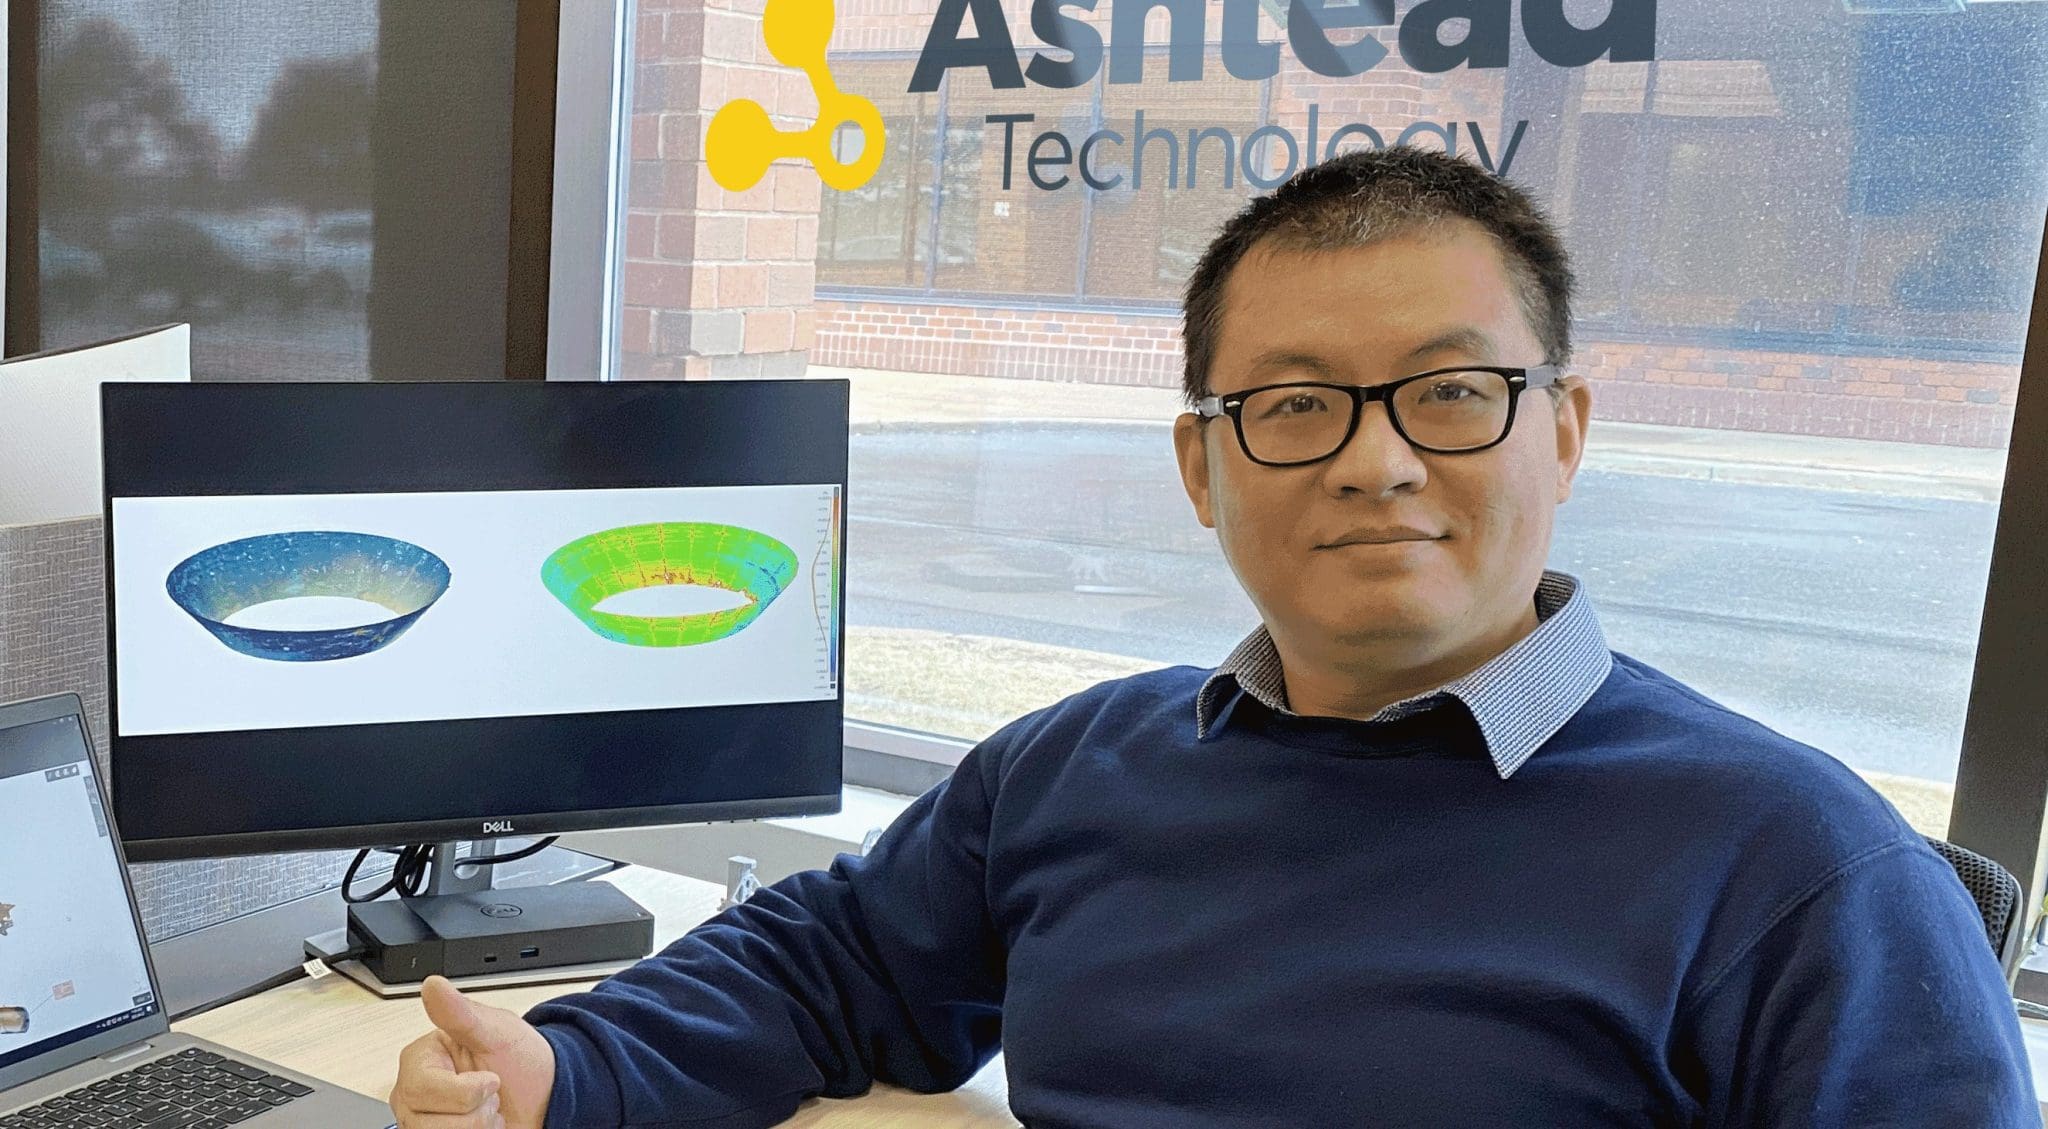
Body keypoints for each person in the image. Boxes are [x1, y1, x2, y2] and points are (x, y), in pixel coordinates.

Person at [390, 148, 2034, 1128]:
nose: (1376, 461)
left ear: (1565, 429)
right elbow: (834, 964)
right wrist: (567, 1072)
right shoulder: (1074, 769)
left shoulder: (1802, 873)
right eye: (1296, 405)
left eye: (1451, 392)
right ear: (1202, 466)